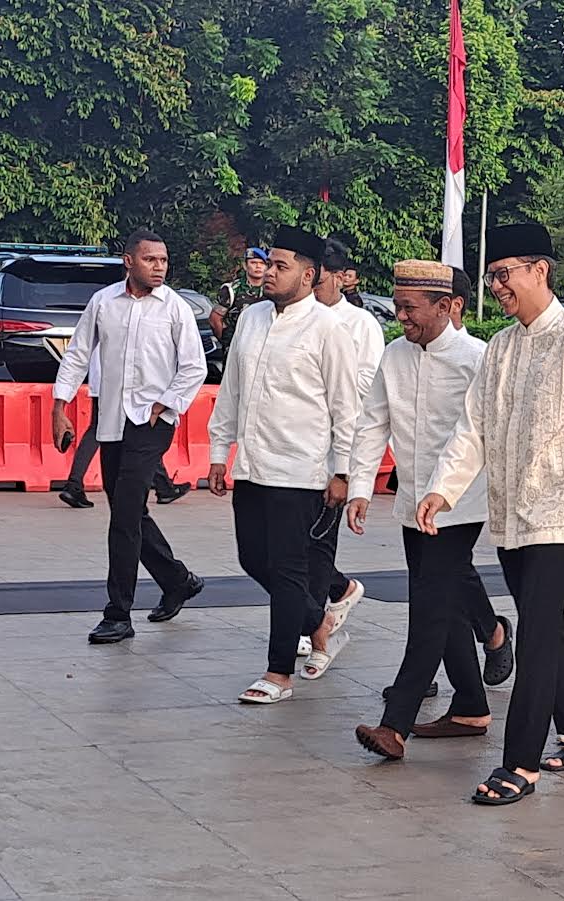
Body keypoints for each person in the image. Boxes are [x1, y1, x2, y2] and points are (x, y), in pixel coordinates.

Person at [418, 222, 564, 806]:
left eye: (505, 274)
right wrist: (442, 488)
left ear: (539, 270)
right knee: (545, 626)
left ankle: (520, 764)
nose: (498, 286)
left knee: (537, 634)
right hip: (512, 515)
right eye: (492, 276)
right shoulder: (502, 347)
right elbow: (474, 428)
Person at [351, 261, 510, 759]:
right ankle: (469, 705)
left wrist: (449, 491)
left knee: (428, 609)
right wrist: (359, 486)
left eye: (410, 308)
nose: (401, 317)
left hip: (459, 506)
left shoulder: (477, 359)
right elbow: (373, 423)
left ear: (446, 307)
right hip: (410, 502)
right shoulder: (394, 356)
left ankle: (394, 724)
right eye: (397, 307)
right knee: (441, 604)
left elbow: (483, 437)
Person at [205, 225, 362, 703]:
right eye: (267, 263)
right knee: (252, 558)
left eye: (280, 266)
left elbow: (345, 406)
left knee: (290, 571)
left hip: (302, 469)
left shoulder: (329, 328)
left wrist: (342, 472)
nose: (268, 272)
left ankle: (278, 674)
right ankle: (320, 621)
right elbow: (231, 387)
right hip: (253, 464)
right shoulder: (251, 318)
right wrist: (219, 450)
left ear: (308, 274)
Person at [52, 229, 207, 645]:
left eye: (163, 260)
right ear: (128, 261)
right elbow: (78, 354)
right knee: (130, 512)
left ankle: (118, 614)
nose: (159, 267)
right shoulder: (104, 302)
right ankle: (178, 580)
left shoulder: (174, 309)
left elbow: (194, 367)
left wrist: (167, 402)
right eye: (150, 260)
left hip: (153, 423)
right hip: (111, 420)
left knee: (123, 515)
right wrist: (60, 407)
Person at [307, 238, 381, 631]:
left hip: (338, 440)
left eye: (319, 282)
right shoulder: (294, 317)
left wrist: (326, 382)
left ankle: (313, 618)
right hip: (297, 442)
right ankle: (338, 588)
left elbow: (368, 382)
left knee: (319, 537)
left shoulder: (361, 324)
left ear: (342, 278)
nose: (313, 290)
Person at [58, 341, 190, 510]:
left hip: (105, 378)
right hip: (120, 381)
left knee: (109, 429)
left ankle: (163, 485)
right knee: (139, 429)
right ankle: (74, 483)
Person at [210, 246, 268, 345]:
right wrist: (227, 343)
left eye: (262, 263)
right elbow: (215, 320)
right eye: (253, 263)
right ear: (245, 266)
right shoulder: (231, 289)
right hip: (237, 344)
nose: (258, 266)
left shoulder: (272, 289)